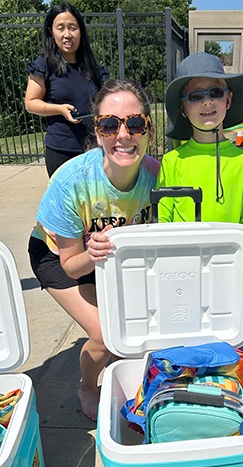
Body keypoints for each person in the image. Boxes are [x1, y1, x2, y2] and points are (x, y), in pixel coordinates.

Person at [28, 79, 160, 420]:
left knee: (135, 324)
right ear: (97, 130)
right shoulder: (72, 181)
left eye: (134, 123)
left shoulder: (158, 176)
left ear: (149, 129)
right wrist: (92, 253)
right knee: (106, 334)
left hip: (111, 256)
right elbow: (71, 264)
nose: (123, 135)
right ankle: (87, 385)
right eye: (109, 124)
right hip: (59, 255)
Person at [156, 52, 243, 235]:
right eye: (196, 96)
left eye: (216, 92)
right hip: (183, 257)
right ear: (183, 108)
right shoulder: (172, 161)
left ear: (228, 100)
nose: (207, 102)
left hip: (229, 259)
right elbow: (163, 219)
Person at [25, 3, 109, 177]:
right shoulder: (44, 65)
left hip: (95, 149)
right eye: (60, 28)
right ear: (51, 31)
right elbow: (30, 103)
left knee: (95, 203)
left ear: (80, 31)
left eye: (72, 28)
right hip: (61, 151)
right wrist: (59, 109)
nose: (67, 34)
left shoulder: (93, 68)